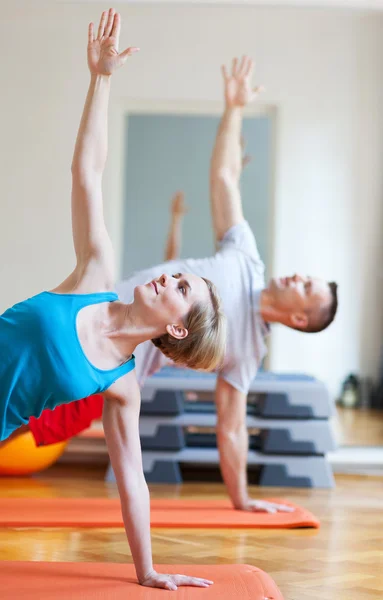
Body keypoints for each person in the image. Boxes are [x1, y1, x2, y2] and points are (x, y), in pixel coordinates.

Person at [7, 51, 338, 516]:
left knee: (16, 421)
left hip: (99, 376)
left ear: (299, 317)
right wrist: (235, 107)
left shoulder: (245, 352)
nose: (299, 276)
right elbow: (223, 178)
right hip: (81, 315)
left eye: (308, 287)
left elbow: (231, 427)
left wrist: (241, 500)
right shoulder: (246, 258)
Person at [0, 9, 227, 591]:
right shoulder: (94, 273)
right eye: (178, 275)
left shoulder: (121, 386)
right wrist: (101, 79)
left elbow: (132, 478)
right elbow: (87, 172)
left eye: (182, 290)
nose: (169, 279)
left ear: (176, 330)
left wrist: (146, 569)